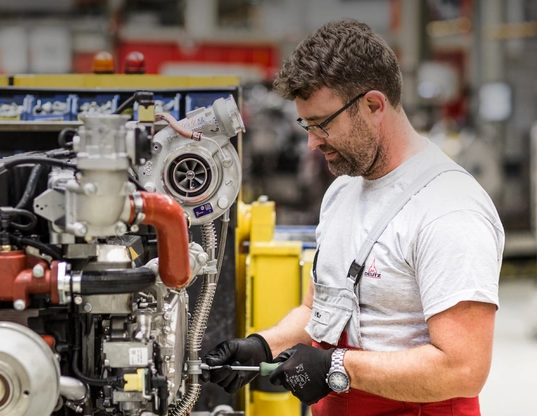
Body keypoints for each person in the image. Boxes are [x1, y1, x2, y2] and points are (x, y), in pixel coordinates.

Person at [202, 19, 503, 415]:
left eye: (322, 124)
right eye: (305, 125)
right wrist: (263, 345)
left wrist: (336, 367)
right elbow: (320, 311)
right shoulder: (344, 190)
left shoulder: (449, 209)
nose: (311, 142)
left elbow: (462, 368)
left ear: (374, 105)